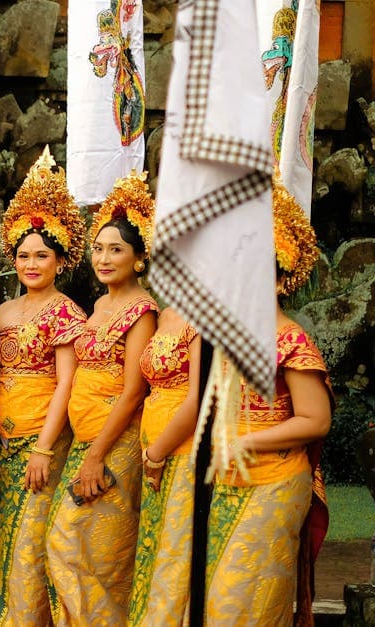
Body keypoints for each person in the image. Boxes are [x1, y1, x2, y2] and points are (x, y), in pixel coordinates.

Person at [204, 180, 331, 624]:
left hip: (276, 479)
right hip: (224, 479)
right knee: (217, 599)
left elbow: (315, 420)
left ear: (280, 278)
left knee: (245, 603)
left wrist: (247, 442)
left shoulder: (291, 339)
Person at [46, 172, 157, 625]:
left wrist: (95, 456)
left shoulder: (142, 312)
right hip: (86, 441)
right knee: (73, 547)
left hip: (117, 445)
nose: (104, 258)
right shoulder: (98, 307)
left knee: (89, 548)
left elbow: (133, 392)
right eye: (98, 248)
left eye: (116, 250)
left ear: (139, 259)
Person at [0, 148, 86, 626]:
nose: (31, 264)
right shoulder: (2, 312)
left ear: (60, 260)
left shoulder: (67, 313)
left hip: (41, 443)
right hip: (1, 445)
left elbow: (68, 383)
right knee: (2, 547)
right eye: (23, 255)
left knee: (30, 552)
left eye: (41, 255)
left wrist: (44, 449)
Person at [126, 308, 200, 625]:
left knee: (175, 554)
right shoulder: (166, 312)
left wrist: (158, 452)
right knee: (153, 551)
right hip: (153, 446)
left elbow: (198, 399)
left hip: (184, 450)